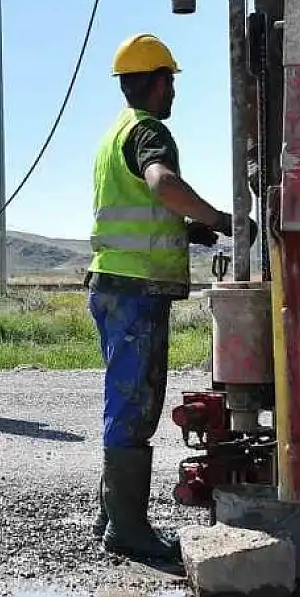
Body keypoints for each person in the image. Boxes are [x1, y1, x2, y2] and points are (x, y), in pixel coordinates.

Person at [88, 33, 250, 562]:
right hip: (135, 290)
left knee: (124, 397)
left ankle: (110, 511)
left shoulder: (116, 133)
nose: (174, 92)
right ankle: (126, 528)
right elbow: (160, 184)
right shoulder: (150, 132)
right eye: (171, 82)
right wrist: (219, 219)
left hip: (114, 283)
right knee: (135, 402)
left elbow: (141, 207)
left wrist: (188, 231)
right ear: (157, 83)